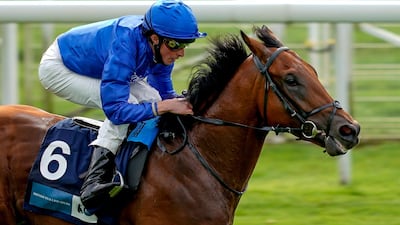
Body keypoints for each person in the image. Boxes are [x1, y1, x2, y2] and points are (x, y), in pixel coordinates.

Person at [38, 0, 206, 209]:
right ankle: (94, 181)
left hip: (93, 63)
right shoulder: (126, 43)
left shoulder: (158, 49)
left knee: (152, 97)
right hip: (59, 68)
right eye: (175, 44)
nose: (181, 52)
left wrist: (180, 105)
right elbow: (116, 110)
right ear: (155, 38)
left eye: (185, 44)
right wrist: (166, 106)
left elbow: (163, 94)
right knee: (129, 103)